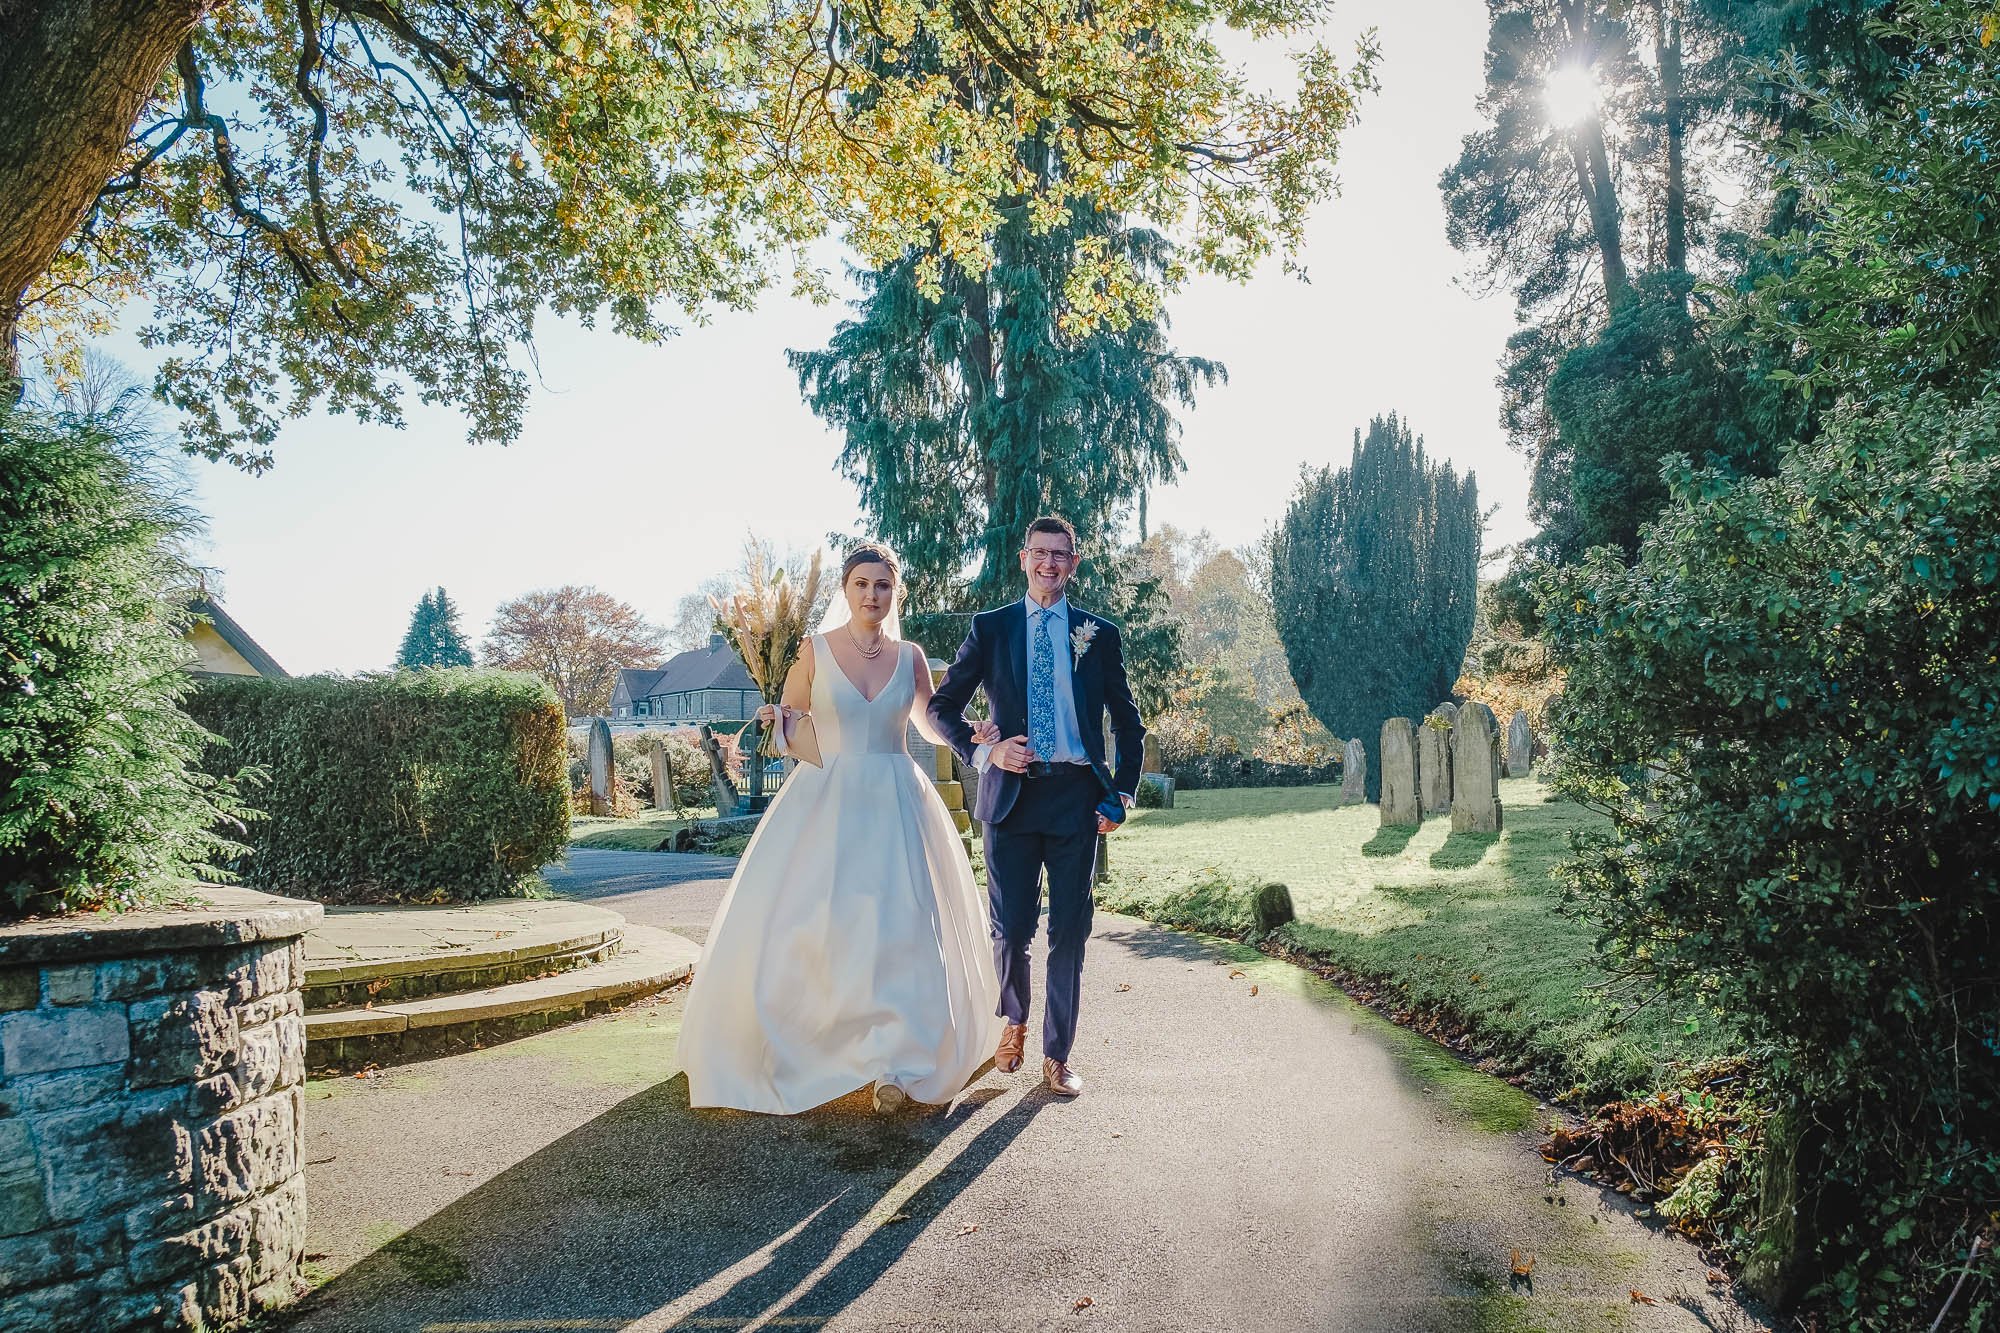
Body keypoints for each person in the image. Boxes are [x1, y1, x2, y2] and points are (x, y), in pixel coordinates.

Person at [677, 543, 1004, 1115]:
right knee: (822, 920)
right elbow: (793, 725)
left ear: (894, 592)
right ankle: (820, 1045)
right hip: (827, 800)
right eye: (861, 585)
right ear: (845, 590)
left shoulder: (911, 656)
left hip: (898, 800)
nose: (871, 595)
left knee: (902, 925)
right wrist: (776, 720)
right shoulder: (814, 650)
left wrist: (967, 731)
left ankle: (895, 1060)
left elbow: (929, 722)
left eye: (882, 586)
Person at [927, 516, 1147, 1098]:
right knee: (1012, 929)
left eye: (1061, 555)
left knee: (1070, 932)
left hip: (1077, 800)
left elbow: (1128, 725)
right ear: (1023, 559)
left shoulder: (1098, 634)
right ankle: (1015, 1020)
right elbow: (942, 709)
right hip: (1012, 804)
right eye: (1040, 553)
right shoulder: (992, 628)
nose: (1050, 563)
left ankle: (1058, 1054)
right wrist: (988, 751)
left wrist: (1122, 793)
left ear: (1074, 564)